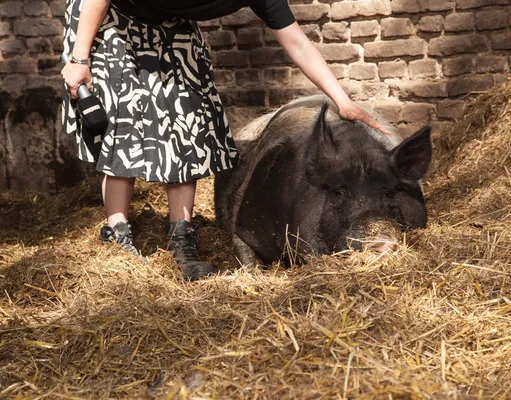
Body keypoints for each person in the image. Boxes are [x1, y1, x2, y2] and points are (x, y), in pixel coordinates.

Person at [61, 0, 387, 281]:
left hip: (169, 20)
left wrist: (342, 100)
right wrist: (79, 60)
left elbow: (297, 42)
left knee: (188, 118)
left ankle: (182, 239)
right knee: (127, 119)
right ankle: (117, 238)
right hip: (108, 19)